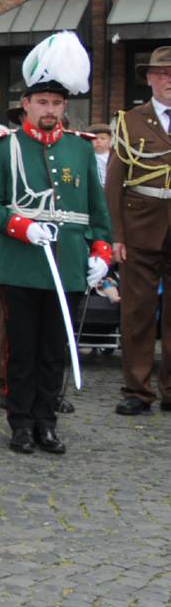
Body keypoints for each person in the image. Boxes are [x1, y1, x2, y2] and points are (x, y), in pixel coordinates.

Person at [0, 33, 110, 453]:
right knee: (22, 350)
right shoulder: (5, 147)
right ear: (27, 104)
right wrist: (22, 226)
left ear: (64, 107)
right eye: (42, 102)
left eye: (56, 103)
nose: (49, 110)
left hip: (67, 264)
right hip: (20, 263)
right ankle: (20, 423)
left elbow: (96, 209)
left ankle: (46, 422)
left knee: (55, 349)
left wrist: (101, 251)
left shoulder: (80, 150)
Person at [106, 46, 171, 416]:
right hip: (139, 225)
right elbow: (114, 181)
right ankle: (137, 390)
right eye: (162, 73)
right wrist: (116, 234)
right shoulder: (130, 120)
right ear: (149, 78)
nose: (169, 80)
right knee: (138, 312)